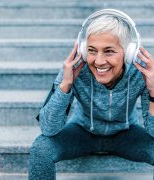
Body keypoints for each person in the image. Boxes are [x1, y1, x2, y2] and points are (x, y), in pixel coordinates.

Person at [29, 9, 154, 180]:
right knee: (41, 147)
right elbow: (48, 128)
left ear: (128, 53)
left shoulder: (141, 72)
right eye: (92, 50)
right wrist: (66, 84)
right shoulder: (75, 68)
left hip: (126, 133)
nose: (99, 61)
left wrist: (153, 90)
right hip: (83, 131)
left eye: (109, 51)